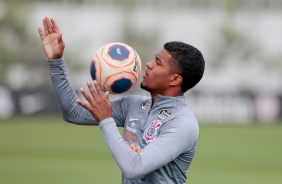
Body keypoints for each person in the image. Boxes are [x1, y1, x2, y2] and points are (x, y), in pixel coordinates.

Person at [38, 17, 205, 184]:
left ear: (175, 80)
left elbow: (134, 168)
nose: (148, 64)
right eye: (154, 59)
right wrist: (55, 61)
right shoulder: (133, 105)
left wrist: (106, 120)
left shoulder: (182, 123)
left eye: (158, 63)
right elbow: (73, 113)